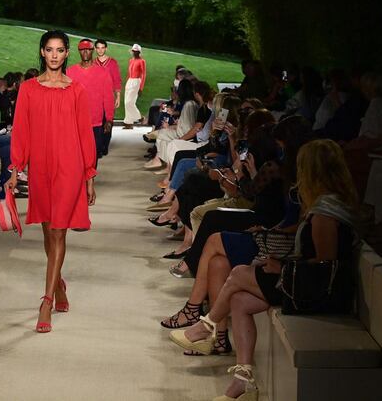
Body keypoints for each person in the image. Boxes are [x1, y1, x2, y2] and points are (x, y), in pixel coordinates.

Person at [170, 139, 360, 401]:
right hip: (308, 284)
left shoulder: (325, 212)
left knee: (237, 274)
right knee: (239, 301)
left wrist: (281, 266)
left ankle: (207, 326)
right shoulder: (329, 204)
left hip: (316, 292)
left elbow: (326, 264)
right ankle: (242, 384)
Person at [5, 30, 97, 333]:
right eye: (49, 50)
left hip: (69, 167)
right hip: (41, 168)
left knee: (58, 231)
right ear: (42, 53)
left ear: (67, 53)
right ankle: (58, 285)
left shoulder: (77, 90)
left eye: (60, 50)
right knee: (47, 229)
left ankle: (45, 300)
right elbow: (22, 129)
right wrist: (15, 168)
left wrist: (89, 176)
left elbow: (85, 134)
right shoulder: (29, 89)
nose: (54, 55)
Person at [66, 39, 115, 166]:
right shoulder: (70, 72)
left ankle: (90, 182)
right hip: (75, 121)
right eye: (82, 49)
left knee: (93, 155)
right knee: (76, 155)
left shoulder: (103, 72)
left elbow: (108, 97)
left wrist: (109, 119)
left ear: (93, 51)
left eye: (88, 49)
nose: (85, 52)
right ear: (79, 51)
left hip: (96, 122)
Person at [93, 38, 121, 155]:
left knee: (108, 121)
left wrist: (118, 96)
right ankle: (98, 147)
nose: (100, 50)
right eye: (98, 48)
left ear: (106, 48)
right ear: (95, 49)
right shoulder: (93, 63)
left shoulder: (112, 62)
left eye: (102, 47)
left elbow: (117, 79)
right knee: (97, 122)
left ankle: (105, 146)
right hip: (95, 97)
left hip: (109, 97)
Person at [123, 43, 147, 129]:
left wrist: (141, 87)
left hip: (136, 81)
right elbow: (129, 73)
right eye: (133, 51)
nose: (134, 52)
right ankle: (128, 123)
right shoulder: (131, 60)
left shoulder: (142, 61)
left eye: (136, 51)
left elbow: (144, 74)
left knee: (129, 102)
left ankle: (140, 117)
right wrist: (127, 83)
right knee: (126, 103)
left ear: (139, 52)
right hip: (130, 81)